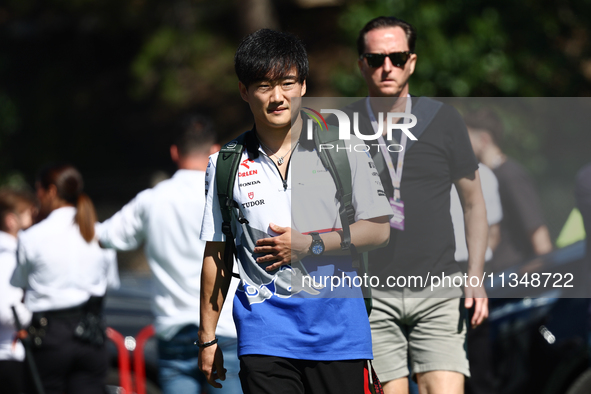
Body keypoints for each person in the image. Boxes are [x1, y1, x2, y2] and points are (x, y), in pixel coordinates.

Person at [198, 29, 392, 394]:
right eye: (263, 86)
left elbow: (379, 230)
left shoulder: (344, 148)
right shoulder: (224, 164)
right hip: (264, 335)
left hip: (339, 333)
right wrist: (207, 338)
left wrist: (311, 244)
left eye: (287, 83)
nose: (277, 97)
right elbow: (217, 254)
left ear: (303, 85)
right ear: (244, 91)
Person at [333, 16, 489, 394]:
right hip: (370, 293)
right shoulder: (339, 125)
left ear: (412, 62)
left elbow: (474, 203)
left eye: (397, 57)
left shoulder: (444, 119)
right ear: (361, 65)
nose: (387, 67)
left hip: (438, 286)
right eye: (375, 59)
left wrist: (475, 274)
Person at [98, 116, 242, 394]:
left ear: (174, 152)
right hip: (224, 326)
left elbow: (106, 236)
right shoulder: (230, 196)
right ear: (215, 150)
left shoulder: (152, 199)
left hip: (173, 328)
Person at [10, 164, 119, 394]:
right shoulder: (99, 233)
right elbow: (110, 283)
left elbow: (19, 283)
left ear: (50, 191)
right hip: (91, 333)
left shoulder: (32, 237)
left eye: (38, 190)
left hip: (50, 336)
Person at [464, 108, 553, 273]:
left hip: (513, 282)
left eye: (465, 138)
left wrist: (526, 279)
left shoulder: (511, 176)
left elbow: (541, 241)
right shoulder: (487, 177)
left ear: (483, 140)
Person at [0, 188, 35, 394]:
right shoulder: (8, 255)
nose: (31, 223)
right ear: (11, 221)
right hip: (8, 355)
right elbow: (5, 310)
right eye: (28, 215)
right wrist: (36, 314)